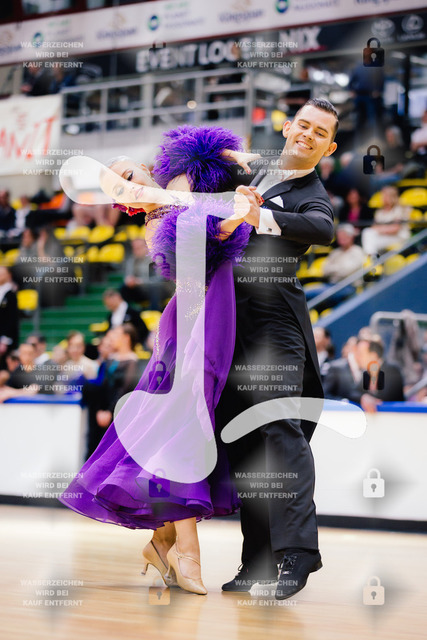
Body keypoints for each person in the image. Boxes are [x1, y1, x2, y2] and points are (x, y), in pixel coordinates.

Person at [58, 125, 256, 596]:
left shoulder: (183, 183)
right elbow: (204, 243)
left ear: (146, 169)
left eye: (126, 175)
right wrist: (233, 217)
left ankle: (162, 543)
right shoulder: (156, 225)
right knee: (184, 426)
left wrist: (234, 157)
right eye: (117, 188)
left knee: (186, 425)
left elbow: (210, 159)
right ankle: (186, 550)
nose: (125, 185)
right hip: (190, 321)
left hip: (215, 311)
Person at [215, 98, 338, 600]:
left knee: (281, 426)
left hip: (276, 326)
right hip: (234, 322)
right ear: (287, 127)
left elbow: (323, 229)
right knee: (246, 442)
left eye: (320, 133)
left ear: (329, 148)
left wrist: (259, 215)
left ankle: (299, 554)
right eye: (303, 125)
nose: (308, 134)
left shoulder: (312, 194)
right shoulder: (258, 169)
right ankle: (259, 561)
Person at [323, 334, 404, 412]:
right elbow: (352, 393)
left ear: (373, 355)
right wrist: (363, 397)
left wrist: (368, 398)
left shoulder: (392, 370)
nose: (357, 358)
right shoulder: (367, 373)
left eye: (361, 354)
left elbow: (384, 399)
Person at [304, 224, 366, 308]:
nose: (341, 238)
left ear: (351, 237)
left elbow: (345, 271)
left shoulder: (357, 251)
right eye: (339, 236)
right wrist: (339, 268)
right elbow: (324, 270)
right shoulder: (335, 252)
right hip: (331, 285)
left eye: (344, 236)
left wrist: (334, 269)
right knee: (303, 292)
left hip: (348, 287)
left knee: (308, 293)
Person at [120, 238, 174, 311]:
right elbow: (128, 276)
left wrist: (141, 281)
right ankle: (130, 312)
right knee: (124, 287)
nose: (136, 250)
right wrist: (129, 280)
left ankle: (154, 312)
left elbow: (160, 280)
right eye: (134, 248)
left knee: (154, 288)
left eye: (138, 248)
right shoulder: (132, 260)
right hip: (143, 290)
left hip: (163, 289)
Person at [361, 185, 410, 257]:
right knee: (367, 233)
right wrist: (384, 229)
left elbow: (395, 229)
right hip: (384, 236)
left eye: (385, 196)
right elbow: (373, 227)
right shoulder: (379, 211)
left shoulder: (399, 209)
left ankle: (371, 258)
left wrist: (381, 229)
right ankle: (371, 257)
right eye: (383, 196)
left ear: (392, 197)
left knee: (369, 239)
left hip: (398, 237)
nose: (383, 198)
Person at [0, 266, 19, 368]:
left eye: (2, 273)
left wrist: (4, 340)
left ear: (9, 275)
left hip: (6, 339)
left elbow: (11, 319)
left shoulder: (11, 294)